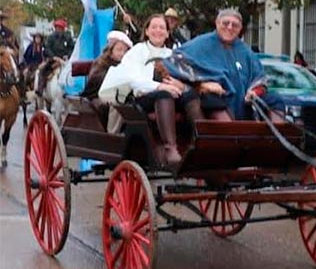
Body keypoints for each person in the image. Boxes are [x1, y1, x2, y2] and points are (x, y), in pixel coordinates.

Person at [101, 13, 202, 166]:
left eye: (162, 28)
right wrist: (160, 86)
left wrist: (181, 86)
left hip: (171, 94)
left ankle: (200, 141)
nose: (158, 31)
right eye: (153, 27)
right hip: (142, 98)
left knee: (191, 95)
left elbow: (187, 77)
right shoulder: (137, 51)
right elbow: (135, 81)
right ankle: (170, 149)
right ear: (147, 31)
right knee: (163, 95)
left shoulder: (172, 54)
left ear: (167, 33)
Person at [162, 8, 284, 122]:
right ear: (217, 23)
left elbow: (260, 79)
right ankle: (229, 139)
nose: (230, 27)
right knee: (213, 101)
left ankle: (278, 141)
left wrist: (254, 92)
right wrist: (201, 84)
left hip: (244, 104)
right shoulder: (200, 44)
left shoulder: (246, 52)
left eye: (235, 25)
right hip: (214, 101)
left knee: (275, 99)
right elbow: (172, 62)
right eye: (226, 23)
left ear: (240, 28)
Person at [80, 30, 133, 100]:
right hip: (96, 99)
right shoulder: (102, 63)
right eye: (119, 50)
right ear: (111, 50)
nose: (122, 54)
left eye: (125, 51)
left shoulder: (123, 64)